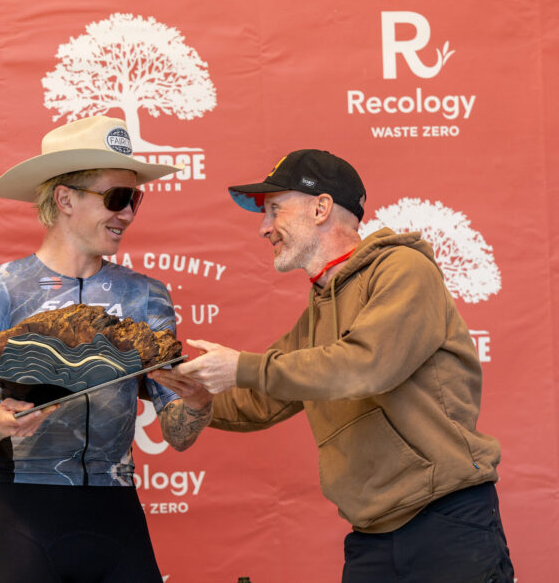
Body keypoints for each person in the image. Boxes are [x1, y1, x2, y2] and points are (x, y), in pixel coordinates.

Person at [151, 149, 514, 583]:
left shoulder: (404, 270)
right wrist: (164, 385)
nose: (264, 227)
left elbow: (366, 365)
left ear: (321, 208)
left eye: (274, 210)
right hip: (371, 539)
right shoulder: (319, 312)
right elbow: (259, 398)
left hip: (446, 525)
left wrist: (242, 367)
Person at [0, 115, 212, 583]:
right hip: (26, 516)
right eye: (117, 197)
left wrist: (200, 398)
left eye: (135, 199)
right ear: (64, 198)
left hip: (117, 514)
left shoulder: (145, 297)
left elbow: (179, 434)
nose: (128, 213)